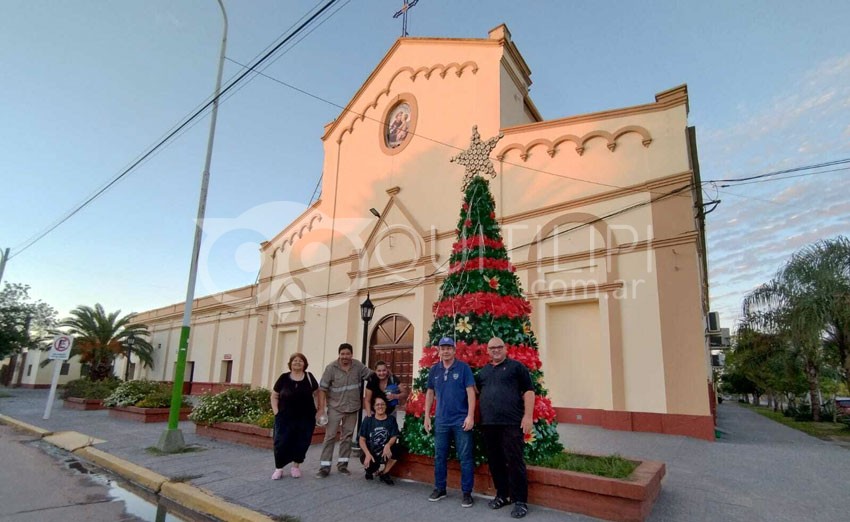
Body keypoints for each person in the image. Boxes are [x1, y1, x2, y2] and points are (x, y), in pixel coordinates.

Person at [476, 337, 535, 519]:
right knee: (495, 461)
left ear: (505, 349)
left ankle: (520, 501)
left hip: (511, 423)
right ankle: (503, 495)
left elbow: (529, 391)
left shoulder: (517, 367)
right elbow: (476, 393)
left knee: (515, 461)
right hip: (489, 424)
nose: (496, 350)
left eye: (499, 347)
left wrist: (528, 416)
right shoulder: (483, 373)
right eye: (492, 348)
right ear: (487, 351)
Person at [424, 337, 476, 508]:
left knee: (465, 457)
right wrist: (427, 416)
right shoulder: (434, 370)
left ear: (454, 350)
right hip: (441, 421)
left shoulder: (463, 369)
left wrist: (470, 416)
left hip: (461, 420)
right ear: (439, 350)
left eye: (449, 348)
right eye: (442, 348)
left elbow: (471, 393)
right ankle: (440, 488)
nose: (445, 351)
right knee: (440, 456)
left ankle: (467, 493)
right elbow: (430, 393)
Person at [316, 342, 372, 478]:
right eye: (342, 354)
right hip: (335, 407)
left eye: (347, 354)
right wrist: (321, 409)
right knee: (330, 437)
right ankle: (324, 467)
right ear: (339, 354)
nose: (345, 356)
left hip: (352, 408)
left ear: (351, 355)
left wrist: (388, 377)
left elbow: (372, 375)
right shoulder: (331, 368)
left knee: (347, 437)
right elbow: (322, 389)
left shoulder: (358, 366)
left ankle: (342, 466)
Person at [270, 353, 320, 480]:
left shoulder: (309, 377)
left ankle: (296, 466)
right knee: (281, 442)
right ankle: (279, 468)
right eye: (295, 361)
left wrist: (319, 409)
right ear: (290, 364)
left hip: (306, 418)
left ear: (305, 364)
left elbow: (317, 393)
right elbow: (274, 395)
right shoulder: (283, 378)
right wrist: (277, 412)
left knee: (302, 442)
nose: (297, 363)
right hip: (285, 417)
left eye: (300, 361)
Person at [358, 395, 403, 485]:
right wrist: (367, 454)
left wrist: (388, 445)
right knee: (371, 468)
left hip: (385, 451)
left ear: (386, 406)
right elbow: (361, 439)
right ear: (374, 407)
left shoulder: (391, 420)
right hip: (371, 453)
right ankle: (370, 471)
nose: (380, 407)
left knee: (399, 448)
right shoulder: (368, 420)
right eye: (377, 405)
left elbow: (394, 436)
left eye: (382, 404)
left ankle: (385, 473)